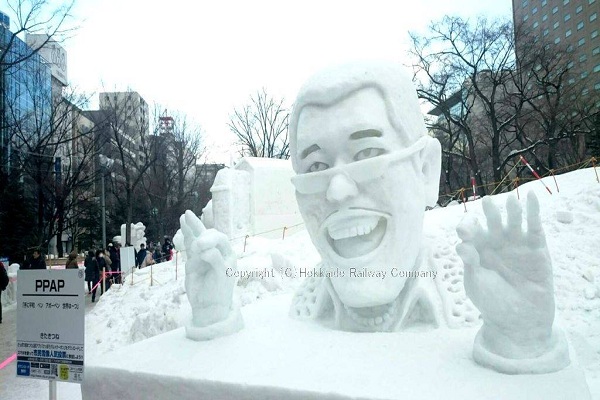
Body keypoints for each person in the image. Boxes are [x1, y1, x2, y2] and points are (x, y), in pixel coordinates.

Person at [178, 60, 569, 374]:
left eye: (368, 154)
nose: (337, 190)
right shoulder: (301, 311)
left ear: (425, 170)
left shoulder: (475, 298)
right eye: (316, 166)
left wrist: (521, 338)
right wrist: (213, 316)